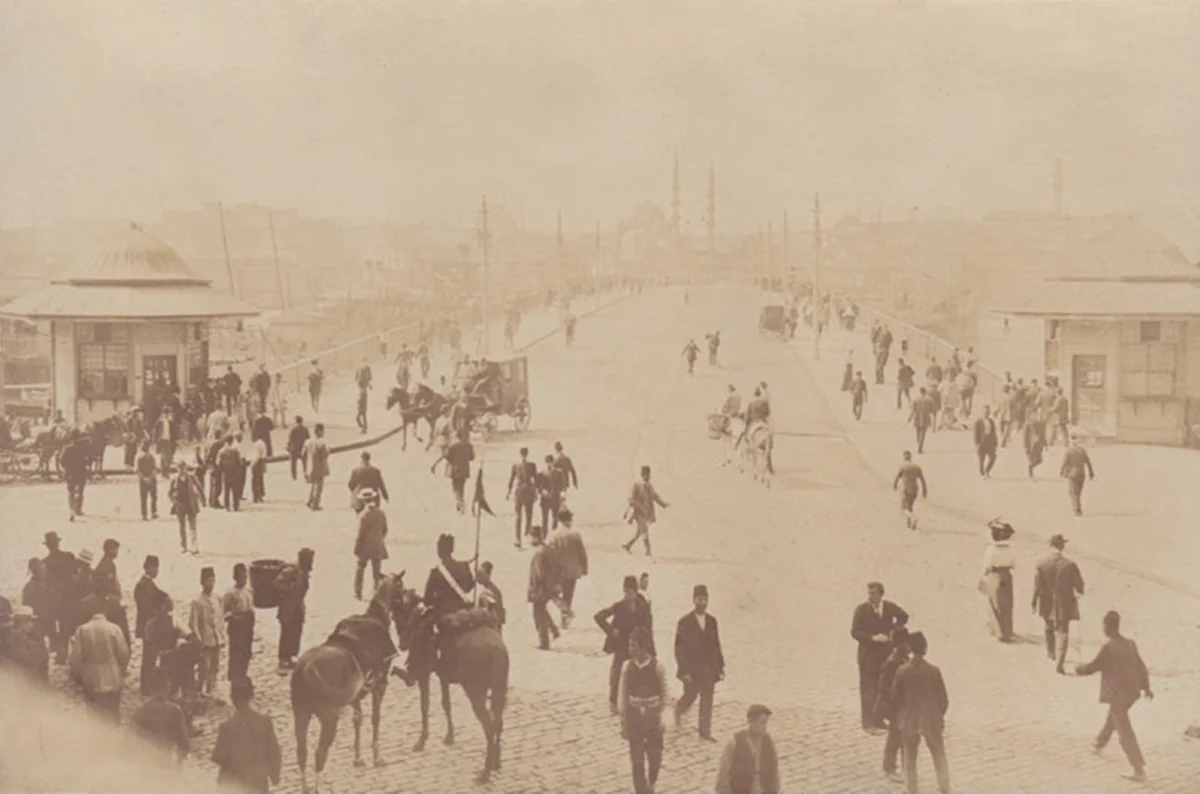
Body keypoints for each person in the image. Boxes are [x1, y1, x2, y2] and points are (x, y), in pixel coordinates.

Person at [1074, 610, 1152, 783]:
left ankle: (1138, 768)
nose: (1103, 629)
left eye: (1104, 626)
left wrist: (1079, 669)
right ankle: (1099, 742)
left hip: (1118, 694)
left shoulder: (1108, 648)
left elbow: (1093, 667)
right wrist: (1147, 688)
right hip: (1132, 693)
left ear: (1108, 627)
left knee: (1123, 729)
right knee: (1115, 716)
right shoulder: (1130, 643)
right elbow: (1141, 666)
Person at [392, 534, 476, 687]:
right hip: (463, 611)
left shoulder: (436, 572)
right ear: (452, 549)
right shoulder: (463, 567)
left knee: (419, 632)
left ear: (440, 550)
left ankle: (412, 670)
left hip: (444, 614)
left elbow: (429, 599)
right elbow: (470, 587)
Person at [891, 631, 951, 794]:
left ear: (909, 648)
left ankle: (911, 789)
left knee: (910, 756)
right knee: (938, 754)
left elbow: (895, 697)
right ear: (925, 648)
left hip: (910, 717)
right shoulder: (933, 670)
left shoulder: (903, 670)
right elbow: (943, 699)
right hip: (931, 717)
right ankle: (944, 787)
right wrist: (938, 715)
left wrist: (902, 714)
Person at [850, 581, 909, 733]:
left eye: (873, 593)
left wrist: (892, 632)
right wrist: (872, 638)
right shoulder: (861, 610)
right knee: (868, 689)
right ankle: (868, 723)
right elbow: (855, 632)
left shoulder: (889, 607)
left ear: (881, 594)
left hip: (885, 654)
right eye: (869, 593)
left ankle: (879, 719)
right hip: (868, 655)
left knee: (882, 687)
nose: (870, 597)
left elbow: (904, 616)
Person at [617, 625, 668, 794]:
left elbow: (666, 694)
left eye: (634, 646)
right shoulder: (627, 667)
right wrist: (623, 719)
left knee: (654, 755)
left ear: (644, 647)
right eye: (630, 645)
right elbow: (622, 694)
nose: (630, 649)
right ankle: (641, 789)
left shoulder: (658, 666)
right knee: (636, 758)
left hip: (653, 715)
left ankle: (652, 783)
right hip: (634, 715)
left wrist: (664, 719)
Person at [594, 575, 653, 713]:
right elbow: (599, 617)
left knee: (636, 672)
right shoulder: (619, 606)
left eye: (629, 592)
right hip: (621, 643)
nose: (626, 595)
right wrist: (611, 630)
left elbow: (647, 628)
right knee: (617, 671)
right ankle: (613, 700)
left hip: (636, 645)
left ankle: (632, 701)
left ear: (635, 592)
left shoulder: (642, 607)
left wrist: (648, 647)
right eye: (624, 591)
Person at [211, 679, 282, 792]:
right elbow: (274, 751)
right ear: (251, 696)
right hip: (258, 780)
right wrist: (275, 775)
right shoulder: (264, 722)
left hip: (235, 782)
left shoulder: (227, 727)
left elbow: (219, 756)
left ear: (233, 698)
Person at [673, 584, 724, 740]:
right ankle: (678, 710)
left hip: (708, 668)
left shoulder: (712, 621)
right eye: (699, 599)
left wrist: (720, 667)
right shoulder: (685, 622)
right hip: (691, 668)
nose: (702, 603)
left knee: (707, 698)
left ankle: (704, 731)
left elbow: (716, 644)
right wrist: (684, 671)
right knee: (691, 695)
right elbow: (679, 649)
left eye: (705, 599)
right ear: (694, 600)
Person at [68, 600, 130, 720]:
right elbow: (124, 653)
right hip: (112, 675)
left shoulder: (82, 630)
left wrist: (79, 673)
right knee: (112, 712)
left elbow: (75, 657)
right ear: (105, 612)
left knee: (94, 715)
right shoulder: (114, 628)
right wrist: (120, 669)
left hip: (91, 677)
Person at [1032, 534, 1085, 674]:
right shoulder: (1070, 565)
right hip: (1064, 602)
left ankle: (1051, 652)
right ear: (1063, 547)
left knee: (1048, 626)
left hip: (1046, 601)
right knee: (1062, 632)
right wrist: (1079, 592)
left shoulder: (1041, 563)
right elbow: (1079, 585)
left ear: (1051, 546)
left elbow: (1037, 586)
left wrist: (1033, 601)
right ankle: (1059, 663)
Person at [716, 704, 780, 794]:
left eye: (766, 723)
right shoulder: (735, 742)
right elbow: (724, 772)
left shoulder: (768, 741)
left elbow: (774, 768)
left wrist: (775, 789)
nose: (765, 727)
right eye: (762, 723)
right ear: (750, 721)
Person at [132, 668, 189, 765]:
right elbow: (183, 739)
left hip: (147, 762)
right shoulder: (175, 710)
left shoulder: (141, 711)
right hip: (167, 758)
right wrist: (180, 761)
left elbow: (131, 739)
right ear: (168, 687)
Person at [875, 627, 911, 784]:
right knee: (895, 737)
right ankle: (889, 768)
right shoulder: (894, 662)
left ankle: (905, 767)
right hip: (896, 706)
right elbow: (884, 686)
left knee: (903, 737)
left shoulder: (902, 658)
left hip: (903, 706)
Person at [189, 566, 225, 702]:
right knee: (204, 668)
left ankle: (210, 691)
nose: (211, 584)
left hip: (216, 639)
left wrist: (222, 636)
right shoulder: (197, 602)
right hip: (205, 641)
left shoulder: (217, 599)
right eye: (208, 581)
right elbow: (194, 624)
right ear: (202, 582)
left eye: (212, 581)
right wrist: (199, 641)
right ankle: (199, 691)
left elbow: (220, 619)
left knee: (214, 668)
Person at [275, 548, 313, 673]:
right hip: (288, 608)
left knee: (296, 632)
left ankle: (290, 656)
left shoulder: (304, 573)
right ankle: (283, 659)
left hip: (297, 608)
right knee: (287, 633)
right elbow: (277, 585)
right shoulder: (290, 571)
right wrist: (291, 588)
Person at [980, 518, 1017, 642]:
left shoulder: (991, 549)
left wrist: (983, 575)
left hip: (994, 574)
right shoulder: (1011, 548)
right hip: (1007, 575)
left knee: (994, 603)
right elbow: (1015, 564)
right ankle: (1008, 630)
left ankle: (998, 631)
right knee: (1007, 603)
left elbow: (986, 564)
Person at [623, 465, 669, 557]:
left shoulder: (649, 485)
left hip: (646, 512)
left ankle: (628, 545)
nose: (648, 477)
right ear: (642, 475)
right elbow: (630, 499)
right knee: (644, 531)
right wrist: (630, 510)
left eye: (649, 475)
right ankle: (648, 552)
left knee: (639, 532)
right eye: (646, 475)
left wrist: (663, 504)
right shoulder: (636, 485)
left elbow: (654, 496)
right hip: (638, 512)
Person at [222, 563, 255, 687]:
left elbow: (251, 606)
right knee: (237, 652)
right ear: (235, 577)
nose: (244, 578)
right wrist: (233, 616)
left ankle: (243, 673)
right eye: (242, 576)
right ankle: (235, 677)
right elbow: (222, 613)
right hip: (237, 626)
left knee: (246, 651)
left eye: (246, 576)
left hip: (248, 624)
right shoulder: (230, 593)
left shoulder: (249, 591)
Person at [354, 491, 389, 600]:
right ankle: (376, 592)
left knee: (360, 568)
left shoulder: (364, 515)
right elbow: (385, 529)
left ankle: (358, 592)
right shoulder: (380, 513)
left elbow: (361, 533)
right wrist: (379, 538)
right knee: (377, 571)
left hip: (365, 546)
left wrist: (357, 547)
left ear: (364, 501)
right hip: (377, 545)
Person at [168, 462, 206, 555]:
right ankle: (183, 546)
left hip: (191, 504)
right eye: (179, 468)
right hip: (180, 505)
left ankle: (194, 546)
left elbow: (199, 487)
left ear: (186, 468)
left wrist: (203, 499)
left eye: (183, 468)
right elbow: (169, 493)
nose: (181, 471)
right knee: (182, 527)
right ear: (177, 469)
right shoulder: (174, 479)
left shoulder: (191, 477)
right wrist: (174, 502)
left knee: (192, 526)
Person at [435, 429, 475, 515]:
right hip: (465, 469)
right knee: (461, 487)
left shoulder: (453, 446)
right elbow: (472, 458)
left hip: (455, 469)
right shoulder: (469, 446)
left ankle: (460, 503)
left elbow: (448, 457)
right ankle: (460, 502)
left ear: (457, 436)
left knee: (455, 488)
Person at [507, 447, 539, 548]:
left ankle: (527, 533)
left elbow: (536, 479)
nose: (523, 456)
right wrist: (508, 492)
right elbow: (511, 479)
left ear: (527, 455)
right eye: (522, 455)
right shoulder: (516, 466)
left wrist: (536, 492)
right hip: (520, 492)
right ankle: (518, 538)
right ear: (520, 455)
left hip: (528, 492)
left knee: (529, 515)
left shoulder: (532, 465)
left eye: (525, 454)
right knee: (518, 516)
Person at [1060, 434, 1095, 516]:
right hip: (1081, 474)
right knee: (1078, 493)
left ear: (1070, 440)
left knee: (1072, 493)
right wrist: (1091, 473)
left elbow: (1065, 463)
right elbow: (1088, 462)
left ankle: (1077, 510)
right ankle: (1078, 508)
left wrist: (1062, 472)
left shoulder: (1069, 451)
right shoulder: (1082, 450)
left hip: (1072, 475)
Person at [892, 451, 927, 531]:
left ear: (904, 457)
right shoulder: (917, 467)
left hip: (905, 487)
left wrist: (894, 485)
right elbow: (922, 480)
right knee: (910, 506)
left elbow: (897, 477)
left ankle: (913, 518)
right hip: (914, 487)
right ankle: (909, 524)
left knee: (904, 508)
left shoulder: (902, 466)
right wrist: (924, 490)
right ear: (911, 457)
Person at [61, 430, 89, 521]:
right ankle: (78, 509)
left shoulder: (66, 448)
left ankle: (72, 510)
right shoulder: (83, 448)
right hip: (81, 473)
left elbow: (62, 461)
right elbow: (87, 460)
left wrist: (67, 468)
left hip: (70, 473)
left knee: (71, 492)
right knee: (80, 491)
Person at [303, 423, 330, 510]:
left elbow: (303, 454)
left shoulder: (307, 441)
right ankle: (315, 504)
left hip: (310, 466)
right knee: (319, 486)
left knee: (313, 485)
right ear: (320, 431)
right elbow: (324, 455)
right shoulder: (321, 442)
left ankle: (310, 500)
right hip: (319, 467)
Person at [538, 453, 567, 535]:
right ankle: (544, 536)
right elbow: (537, 486)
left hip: (555, 497)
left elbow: (563, 485)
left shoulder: (559, 472)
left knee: (555, 518)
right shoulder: (541, 473)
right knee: (544, 519)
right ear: (545, 462)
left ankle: (553, 536)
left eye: (550, 462)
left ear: (553, 462)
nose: (549, 464)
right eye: (547, 462)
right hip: (545, 498)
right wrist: (542, 491)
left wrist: (563, 494)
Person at [476, 561, 505, 632]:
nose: (477, 578)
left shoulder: (489, 592)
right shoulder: (491, 589)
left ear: (488, 575)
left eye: (480, 575)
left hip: (491, 627)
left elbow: (492, 611)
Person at [973, 405, 999, 479]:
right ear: (982, 412)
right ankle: (981, 473)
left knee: (993, 457)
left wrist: (995, 442)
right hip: (981, 443)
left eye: (987, 412)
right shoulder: (978, 422)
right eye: (985, 412)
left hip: (990, 443)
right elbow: (975, 433)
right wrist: (977, 444)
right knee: (981, 459)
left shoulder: (991, 421)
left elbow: (994, 432)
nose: (986, 414)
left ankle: (987, 471)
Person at [218, 436, 243, 512]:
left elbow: (218, 463)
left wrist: (222, 469)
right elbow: (240, 462)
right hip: (234, 472)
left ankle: (227, 506)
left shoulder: (221, 451)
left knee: (226, 490)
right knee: (235, 490)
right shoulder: (235, 451)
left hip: (226, 473)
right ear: (232, 441)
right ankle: (236, 506)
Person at [908, 387, 935, 454]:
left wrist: (909, 418)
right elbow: (932, 410)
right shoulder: (929, 400)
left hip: (917, 417)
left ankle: (919, 444)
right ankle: (920, 447)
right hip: (926, 417)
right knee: (923, 433)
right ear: (925, 392)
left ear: (920, 392)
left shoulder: (915, 399)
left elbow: (912, 410)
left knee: (918, 432)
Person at [136, 442, 159, 520]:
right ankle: (145, 514)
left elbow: (154, 469)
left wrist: (149, 477)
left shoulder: (149, 458)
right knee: (144, 497)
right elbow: (138, 471)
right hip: (147, 479)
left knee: (153, 496)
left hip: (149, 479)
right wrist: (146, 478)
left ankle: (152, 512)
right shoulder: (142, 459)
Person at [1023, 409, 1047, 478]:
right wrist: (1025, 447)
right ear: (1031, 415)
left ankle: (1031, 467)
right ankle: (1031, 473)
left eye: (1037, 415)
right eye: (1034, 415)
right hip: (1030, 446)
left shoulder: (1040, 424)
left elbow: (1043, 435)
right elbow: (1025, 437)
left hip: (1038, 445)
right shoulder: (1027, 424)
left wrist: (1045, 445)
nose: (1036, 416)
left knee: (1039, 460)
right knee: (1032, 459)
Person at [286, 416, 310, 482]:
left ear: (296, 422)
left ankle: (294, 477)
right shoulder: (305, 429)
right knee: (305, 464)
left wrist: (288, 447)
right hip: (303, 449)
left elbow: (290, 440)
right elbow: (308, 439)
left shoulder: (293, 430)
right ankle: (306, 476)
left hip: (295, 449)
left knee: (293, 464)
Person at [250, 431, 268, 503]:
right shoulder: (263, 443)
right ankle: (260, 496)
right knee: (260, 479)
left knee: (255, 481)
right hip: (262, 461)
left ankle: (255, 497)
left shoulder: (256, 445)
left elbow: (256, 457)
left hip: (258, 463)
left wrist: (252, 464)